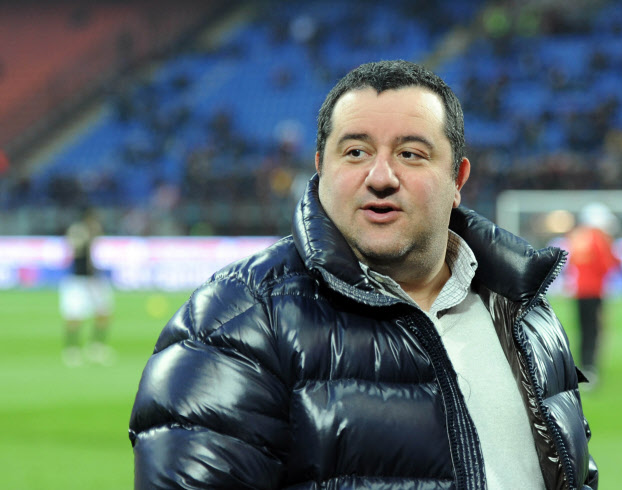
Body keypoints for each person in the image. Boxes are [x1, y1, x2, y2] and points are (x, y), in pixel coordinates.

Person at [129, 60, 598, 489]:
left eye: (411, 154)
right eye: (355, 152)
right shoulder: (236, 320)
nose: (380, 177)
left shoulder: (522, 313)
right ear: (320, 169)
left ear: (457, 179)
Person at [567, 202, 621, 388]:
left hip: (579, 291)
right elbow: (607, 264)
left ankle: (582, 367)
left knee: (583, 330)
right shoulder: (599, 238)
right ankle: (590, 369)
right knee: (594, 331)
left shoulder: (577, 236)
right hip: (594, 291)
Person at [59, 207, 114, 366]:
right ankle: (72, 349)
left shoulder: (96, 234)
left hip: (94, 279)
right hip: (77, 280)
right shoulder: (78, 231)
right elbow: (75, 249)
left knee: (103, 313)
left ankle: (96, 347)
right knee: (74, 317)